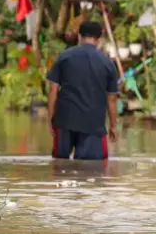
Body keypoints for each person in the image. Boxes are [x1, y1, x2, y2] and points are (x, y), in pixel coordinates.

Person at [46, 21, 119, 160]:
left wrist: (51, 118)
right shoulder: (107, 63)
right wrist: (113, 126)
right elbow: (112, 99)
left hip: (64, 121)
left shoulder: (64, 57)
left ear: (79, 36)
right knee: (91, 170)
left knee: (60, 166)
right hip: (93, 123)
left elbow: (52, 89)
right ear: (99, 39)